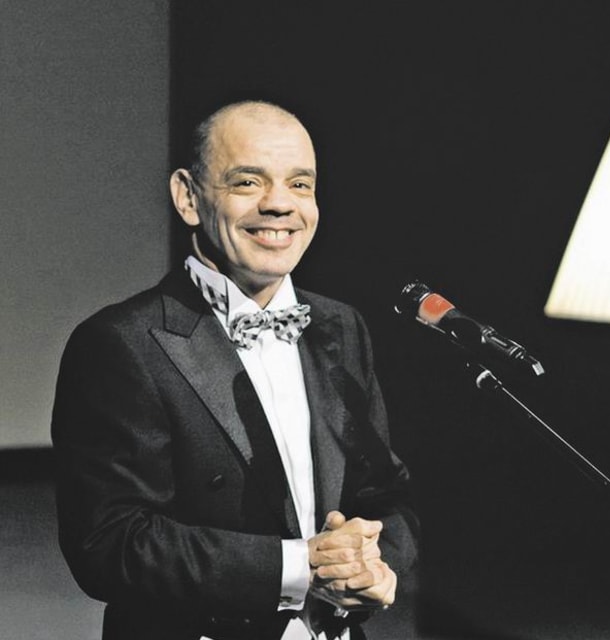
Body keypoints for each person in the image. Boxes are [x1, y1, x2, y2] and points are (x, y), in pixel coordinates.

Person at [50, 100, 419, 640]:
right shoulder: (120, 343)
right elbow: (108, 543)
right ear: (188, 196)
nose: (280, 205)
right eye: (248, 182)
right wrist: (299, 568)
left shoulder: (341, 328)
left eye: (300, 185)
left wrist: (373, 564)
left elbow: (387, 498)